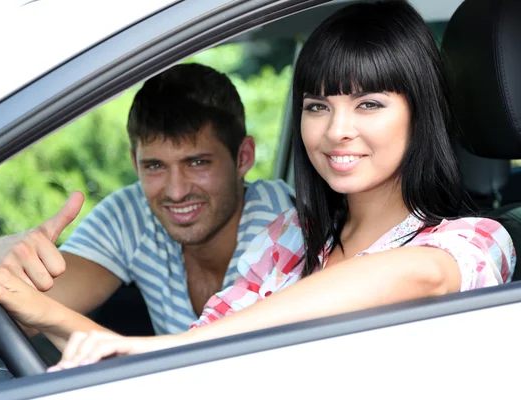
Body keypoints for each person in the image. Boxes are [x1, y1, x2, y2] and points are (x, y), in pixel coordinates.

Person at [41, 0, 516, 370]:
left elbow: (415, 275)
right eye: (317, 106)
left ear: (419, 113)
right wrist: (21, 302)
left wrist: (165, 347)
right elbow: (189, 355)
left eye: (368, 104)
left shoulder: (474, 239)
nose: (336, 130)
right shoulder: (289, 238)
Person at [0, 63, 294, 351]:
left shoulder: (283, 227)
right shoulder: (133, 213)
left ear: (243, 157)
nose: (176, 190)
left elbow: (228, 369)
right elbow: (11, 326)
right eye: (155, 166)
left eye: (197, 163)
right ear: (135, 164)